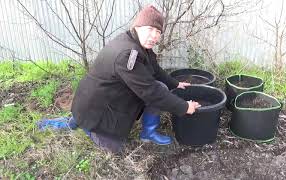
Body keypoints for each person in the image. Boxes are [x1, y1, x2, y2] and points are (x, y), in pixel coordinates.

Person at [70, 5, 201, 153]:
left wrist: (175, 83)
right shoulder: (127, 54)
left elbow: (155, 69)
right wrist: (184, 107)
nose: (154, 36)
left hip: (107, 95)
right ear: (137, 27)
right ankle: (85, 125)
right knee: (116, 150)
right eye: (150, 29)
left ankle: (148, 133)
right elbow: (151, 91)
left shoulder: (139, 44)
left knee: (162, 88)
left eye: (158, 31)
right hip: (97, 107)